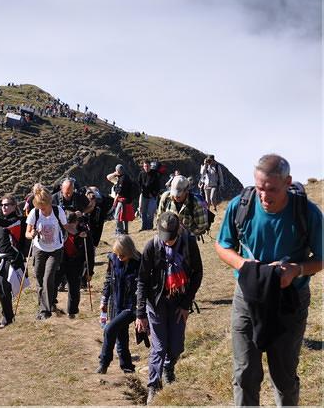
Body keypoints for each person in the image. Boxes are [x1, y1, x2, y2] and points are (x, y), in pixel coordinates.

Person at [214, 154, 322, 407]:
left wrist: (295, 269)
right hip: (248, 298)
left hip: (289, 301)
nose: (264, 196)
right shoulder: (242, 204)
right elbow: (222, 245)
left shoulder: (306, 212)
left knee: (283, 377)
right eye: (260, 188)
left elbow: (322, 258)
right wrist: (243, 264)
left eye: (272, 189)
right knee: (245, 374)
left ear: (288, 183)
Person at [136, 212, 203, 404]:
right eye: (165, 238)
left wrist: (185, 304)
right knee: (159, 346)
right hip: (156, 303)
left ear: (179, 230)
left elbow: (197, 274)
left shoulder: (189, 243)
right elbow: (142, 279)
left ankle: (168, 367)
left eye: (171, 239)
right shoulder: (152, 245)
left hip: (178, 301)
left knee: (176, 346)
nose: (168, 243)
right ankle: (153, 386)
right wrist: (140, 313)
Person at [98, 235, 141, 374]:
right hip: (116, 303)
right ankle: (127, 366)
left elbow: (143, 286)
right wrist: (104, 299)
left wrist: (140, 309)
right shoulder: (113, 259)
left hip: (131, 306)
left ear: (129, 251)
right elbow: (108, 279)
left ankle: (104, 363)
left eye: (122, 255)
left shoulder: (139, 263)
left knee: (110, 329)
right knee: (121, 336)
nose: (119, 257)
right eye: (117, 254)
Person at [25, 183, 67, 320]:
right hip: (39, 248)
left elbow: (66, 227)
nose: (42, 209)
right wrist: (32, 234)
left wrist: (79, 231)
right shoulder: (34, 212)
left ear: (49, 202)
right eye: (39, 207)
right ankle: (43, 305)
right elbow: (27, 232)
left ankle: (45, 311)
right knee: (38, 277)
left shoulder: (58, 211)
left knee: (48, 278)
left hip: (56, 249)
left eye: (43, 207)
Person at [0, 194, 29, 328]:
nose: (3, 207)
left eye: (6, 205)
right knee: (1, 289)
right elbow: (2, 243)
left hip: (13, 259)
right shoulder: (3, 223)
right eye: (2, 205)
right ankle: (7, 316)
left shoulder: (18, 221)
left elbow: (9, 224)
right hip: (2, 259)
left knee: (4, 289)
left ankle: (7, 317)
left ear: (14, 206)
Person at [54, 212, 94, 318]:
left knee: (74, 288)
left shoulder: (84, 232)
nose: (70, 226)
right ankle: (50, 306)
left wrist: (90, 270)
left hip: (76, 263)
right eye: (67, 223)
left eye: (72, 223)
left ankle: (72, 312)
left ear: (77, 222)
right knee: (53, 284)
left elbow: (90, 253)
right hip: (61, 261)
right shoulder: (60, 230)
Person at [107, 164, 136, 234]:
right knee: (124, 216)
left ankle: (120, 231)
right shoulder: (125, 177)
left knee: (117, 216)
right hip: (127, 200)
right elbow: (108, 177)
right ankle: (125, 231)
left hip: (122, 200)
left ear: (118, 171)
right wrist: (115, 173)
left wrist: (114, 201)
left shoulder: (122, 179)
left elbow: (120, 192)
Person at [138, 161, 161, 231]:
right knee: (143, 211)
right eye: (145, 166)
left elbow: (158, 186)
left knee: (150, 212)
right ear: (143, 167)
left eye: (147, 166)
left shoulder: (155, 174)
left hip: (152, 196)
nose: (146, 168)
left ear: (150, 166)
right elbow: (139, 183)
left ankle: (150, 226)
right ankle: (144, 226)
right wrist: (141, 191)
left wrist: (153, 194)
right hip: (144, 195)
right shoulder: (141, 174)